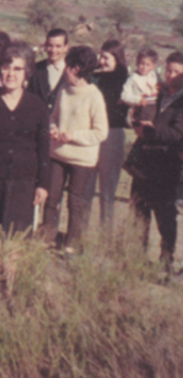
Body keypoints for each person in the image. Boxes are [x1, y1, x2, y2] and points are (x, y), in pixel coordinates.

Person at [0, 41, 50, 295]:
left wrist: (43, 184)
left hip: (24, 179)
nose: (11, 74)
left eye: (18, 69)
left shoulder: (37, 105)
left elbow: (43, 146)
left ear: (26, 73)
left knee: (15, 236)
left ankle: (10, 287)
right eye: (6, 67)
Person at [40, 46, 108, 255]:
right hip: (58, 155)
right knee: (52, 198)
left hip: (82, 160)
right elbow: (53, 116)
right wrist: (52, 128)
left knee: (75, 202)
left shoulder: (94, 96)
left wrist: (74, 136)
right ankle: (47, 238)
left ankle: (71, 243)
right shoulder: (64, 91)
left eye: (68, 67)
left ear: (77, 69)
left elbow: (101, 132)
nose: (65, 71)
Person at [129, 51, 183, 267]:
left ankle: (166, 259)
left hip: (167, 163)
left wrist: (151, 131)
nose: (171, 76)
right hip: (144, 161)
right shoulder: (157, 94)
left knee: (164, 213)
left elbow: (178, 133)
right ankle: (136, 256)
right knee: (139, 209)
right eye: (168, 70)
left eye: (177, 72)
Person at [85, 40, 129, 229]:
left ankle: (105, 234)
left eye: (106, 58)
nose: (102, 61)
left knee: (107, 189)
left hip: (112, 134)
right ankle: (80, 231)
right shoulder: (93, 78)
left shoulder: (127, 80)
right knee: (85, 186)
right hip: (91, 133)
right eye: (100, 57)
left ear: (117, 59)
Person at [28, 28, 69, 113]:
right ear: (45, 45)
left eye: (58, 46)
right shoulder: (36, 69)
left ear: (66, 47)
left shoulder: (72, 71)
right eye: (50, 45)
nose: (53, 50)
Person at [121, 47, 159, 125]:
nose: (144, 67)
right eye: (141, 64)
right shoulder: (133, 79)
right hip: (139, 110)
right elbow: (124, 96)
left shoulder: (154, 76)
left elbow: (161, 87)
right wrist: (138, 100)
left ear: (153, 66)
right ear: (137, 62)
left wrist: (161, 87)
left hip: (153, 108)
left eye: (148, 65)